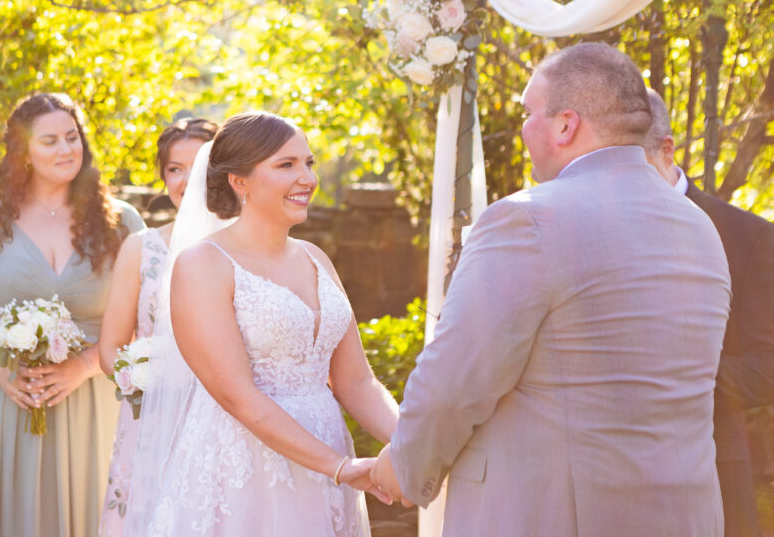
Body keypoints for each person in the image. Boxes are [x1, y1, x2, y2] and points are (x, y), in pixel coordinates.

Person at [370, 42, 732, 536]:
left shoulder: (528, 219)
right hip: (684, 517)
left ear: (565, 125)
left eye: (527, 113)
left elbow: (453, 385)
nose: (522, 129)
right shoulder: (698, 226)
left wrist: (404, 469)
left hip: (552, 517)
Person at [127, 111, 398, 536]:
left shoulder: (316, 258)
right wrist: (342, 468)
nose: (306, 177)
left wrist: (411, 445)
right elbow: (238, 396)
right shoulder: (203, 265)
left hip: (326, 457)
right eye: (286, 165)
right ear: (240, 181)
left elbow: (356, 383)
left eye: (308, 162)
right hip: (244, 467)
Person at [0, 92, 145, 537]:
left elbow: (149, 318)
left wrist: (82, 368)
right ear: (22, 152)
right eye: (50, 141)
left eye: (72, 137)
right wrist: (3, 374)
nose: (66, 149)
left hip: (89, 397)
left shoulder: (121, 224)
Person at [645, 88, 774, 537]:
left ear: (666, 150)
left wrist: (672, 375)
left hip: (714, 466)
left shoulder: (749, 237)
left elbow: (768, 368)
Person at [98, 117, 217, 535]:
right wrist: (141, 377)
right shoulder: (142, 248)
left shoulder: (249, 246)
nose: (188, 179)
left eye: (200, 164)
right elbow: (109, 349)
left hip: (224, 420)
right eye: (174, 169)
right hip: (149, 422)